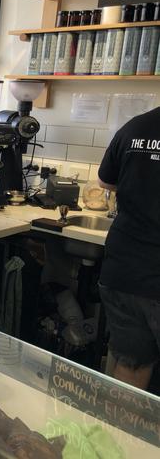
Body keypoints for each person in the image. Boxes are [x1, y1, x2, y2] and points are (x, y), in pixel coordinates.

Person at [98, 106, 160, 390]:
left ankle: (118, 433)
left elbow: (105, 182)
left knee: (132, 364)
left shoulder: (135, 127)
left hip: (123, 271)